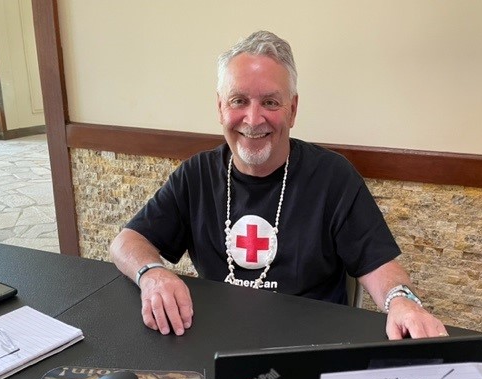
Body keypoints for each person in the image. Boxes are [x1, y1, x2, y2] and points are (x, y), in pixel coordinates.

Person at [110, 30, 447, 339]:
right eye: (238, 100)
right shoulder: (195, 175)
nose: (253, 119)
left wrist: (402, 301)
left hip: (310, 345)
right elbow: (127, 241)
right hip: (218, 339)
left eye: (270, 102)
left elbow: (379, 265)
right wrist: (152, 273)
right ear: (220, 107)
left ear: (293, 110)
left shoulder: (333, 177)